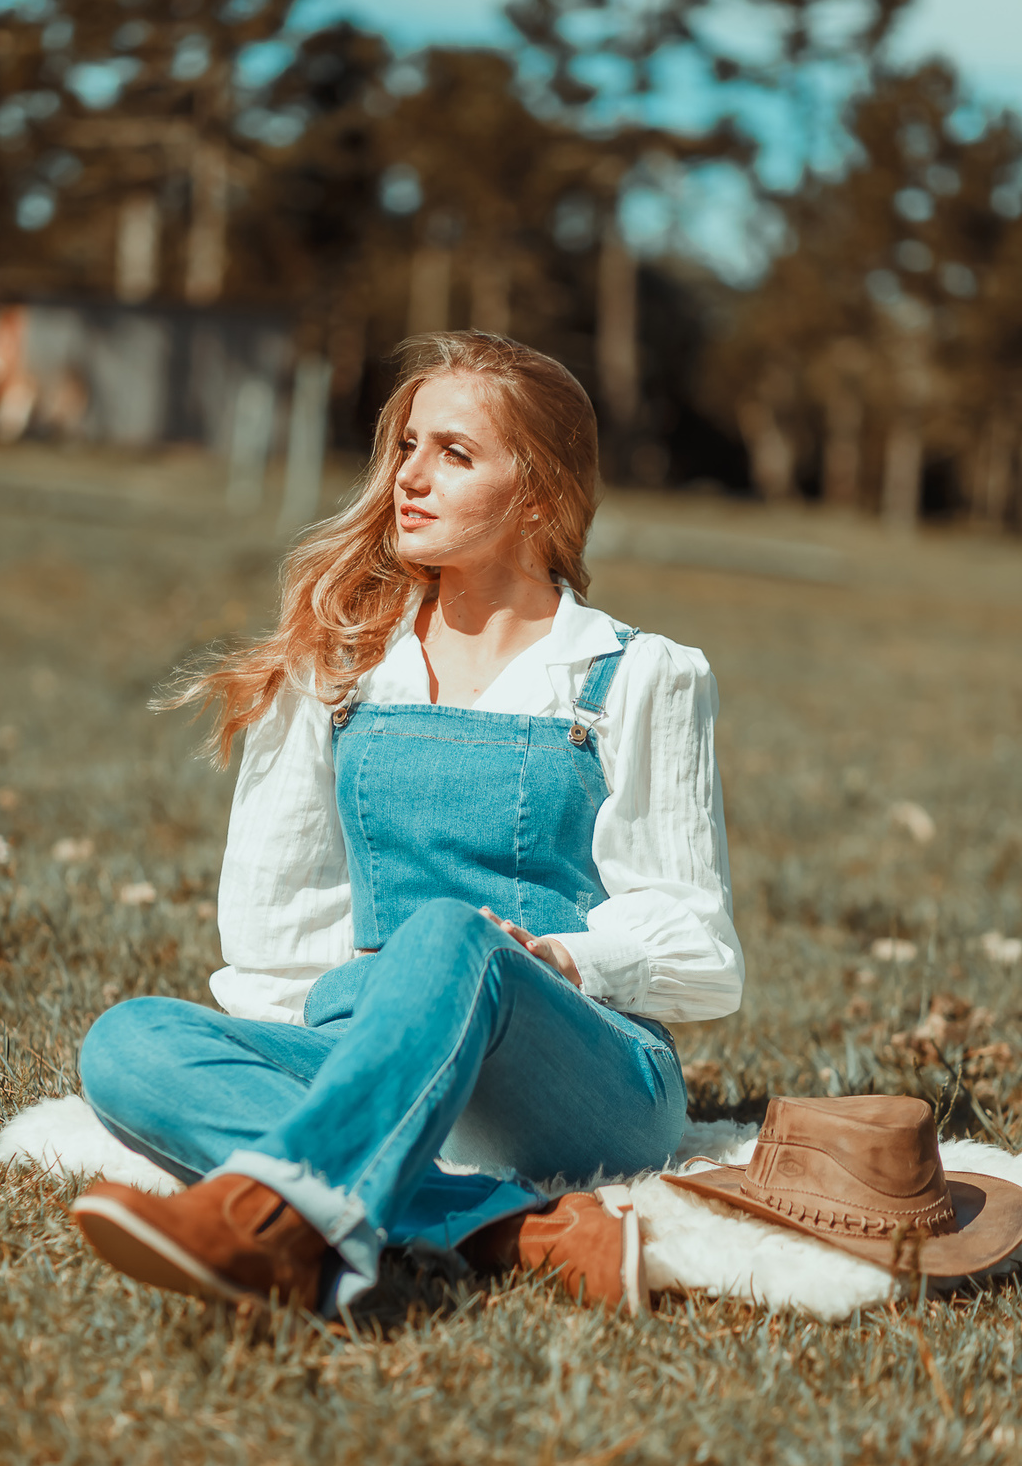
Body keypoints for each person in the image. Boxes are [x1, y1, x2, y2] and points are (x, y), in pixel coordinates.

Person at [71, 332, 743, 1316]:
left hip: (578, 1081)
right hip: (384, 1057)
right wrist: (339, 1066)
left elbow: (702, 951)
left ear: (541, 497)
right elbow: (278, 933)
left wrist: (557, 962)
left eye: (454, 455)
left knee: (445, 932)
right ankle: (503, 1227)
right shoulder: (336, 668)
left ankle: (276, 1216)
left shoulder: (636, 678)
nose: (408, 479)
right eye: (406, 448)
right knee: (127, 1044)